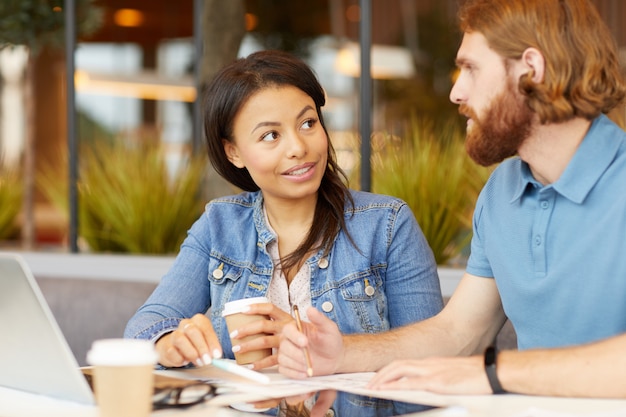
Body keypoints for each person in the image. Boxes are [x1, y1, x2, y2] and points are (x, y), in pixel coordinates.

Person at [277, 0, 626, 399]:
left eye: (471, 69)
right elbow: (460, 331)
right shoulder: (502, 191)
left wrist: (495, 372)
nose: (456, 92)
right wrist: (341, 354)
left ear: (531, 69)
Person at [124, 50, 442, 374]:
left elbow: (430, 362)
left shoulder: (387, 226)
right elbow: (144, 327)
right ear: (233, 152)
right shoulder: (220, 226)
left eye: (308, 123)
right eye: (271, 135)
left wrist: (316, 348)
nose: (298, 148)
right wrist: (171, 343)